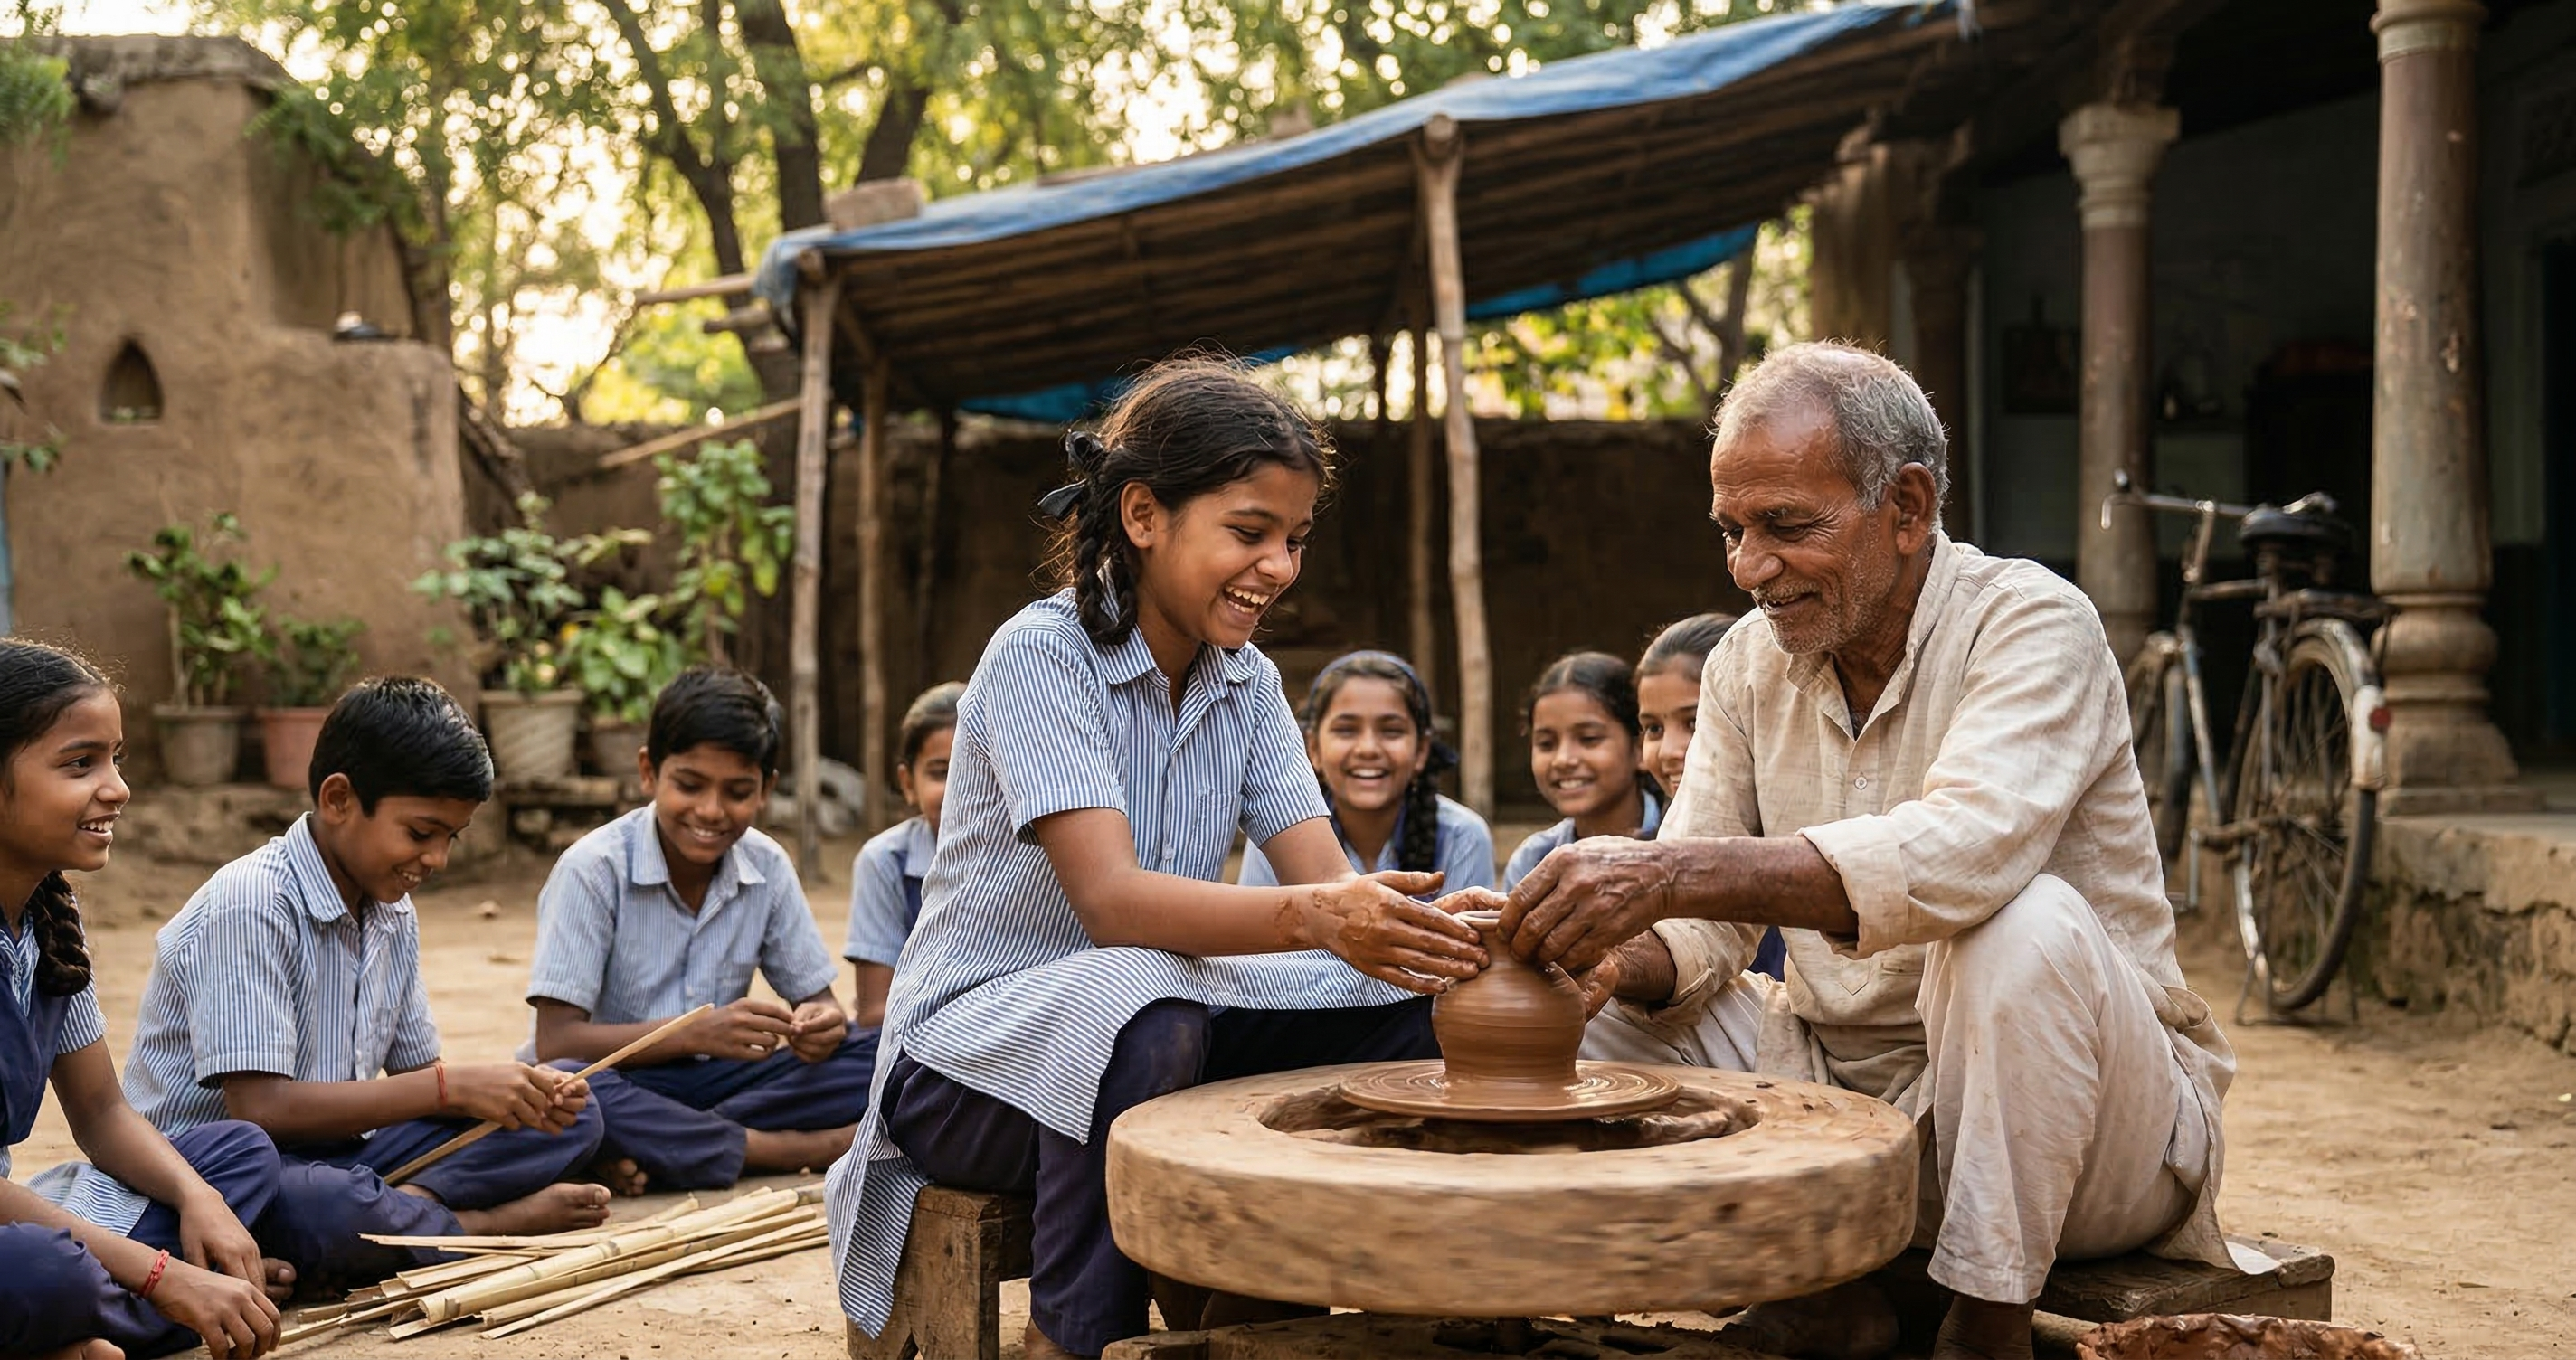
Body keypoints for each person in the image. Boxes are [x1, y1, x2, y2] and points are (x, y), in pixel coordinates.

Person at [1494, 343, 2232, 1360]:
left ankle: (1985, 1322)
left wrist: (1662, 868)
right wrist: (1614, 955)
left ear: (1909, 505)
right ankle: (1820, 1289)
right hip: (1846, 1106)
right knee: (1575, 1025)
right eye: (1732, 531)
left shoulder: (2031, 622)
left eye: (1787, 526)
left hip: (2081, 1136)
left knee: (2018, 923)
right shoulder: (1748, 663)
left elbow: (1961, 854)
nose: (1751, 567)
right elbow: (1701, 921)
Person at [824, 358, 1490, 1360]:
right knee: (1141, 1002)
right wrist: (1321, 919)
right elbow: (1112, 903)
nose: (1277, 567)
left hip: (1152, 1033)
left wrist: (1439, 932)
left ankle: (1261, 1294)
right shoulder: (1038, 655)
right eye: (1248, 532)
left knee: (1410, 1002)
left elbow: (1326, 890)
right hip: (963, 1073)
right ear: (1144, 515)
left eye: (1295, 541)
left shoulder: (1250, 681)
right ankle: (1074, 1337)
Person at [123, 677, 610, 1295]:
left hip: (346, 1157)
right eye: (421, 832)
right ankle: (473, 1224)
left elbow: (421, 1077)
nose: (436, 860)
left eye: (450, 838)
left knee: (577, 1110)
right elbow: (262, 1112)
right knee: (326, 1207)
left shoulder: (390, 908)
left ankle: (397, 1221)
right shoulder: (250, 904)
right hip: (229, 1175)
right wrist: (449, 1086)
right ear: (338, 799)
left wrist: (509, 1092)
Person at [0, 640, 290, 1360]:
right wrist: (163, 1275)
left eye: (115, 758)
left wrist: (202, 1203)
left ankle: (85, 1327)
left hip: (19, 1221)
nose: (117, 788)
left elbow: (101, 1113)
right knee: (46, 1274)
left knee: (238, 1157)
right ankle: (115, 1314)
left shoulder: (46, 925)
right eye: (80, 763)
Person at [526, 666, 866, 1193]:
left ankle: (663, 1146)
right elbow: (556, 1041)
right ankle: (783, 1149)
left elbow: (822, 1005)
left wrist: (820, 1026)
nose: (710, 810)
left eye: (737, 791)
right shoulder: (593, 869)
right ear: (648, 772)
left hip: (719, 1086)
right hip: (619, 1079)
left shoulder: (767, 866)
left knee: (878, 1053)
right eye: (689, 785)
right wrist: (693, 1033)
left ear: (766, 790)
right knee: (572, 1089)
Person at [1236, 650, 1493, 896]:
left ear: (1421, 750)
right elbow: (1251, 941)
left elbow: (1464, 940)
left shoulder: (1462, 837)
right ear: (1313, 748)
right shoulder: (1275, 836)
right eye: (1346, 730)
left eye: (1392, 731)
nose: (1368, 749)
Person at [1632, 614, 1783, 980]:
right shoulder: (1643, 858)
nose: (1668, 750)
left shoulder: (1800, 854)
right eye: (1653, 728)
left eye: (1696, 723)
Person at [845, 682, 965, 1025]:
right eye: (941, 773)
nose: (962, 788)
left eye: (978, 769)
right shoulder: (886, 861)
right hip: (912, 1037)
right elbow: (874, 1012)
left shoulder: (1033, 854)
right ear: (908, 784)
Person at [1500, 652, 1662, 890]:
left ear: (1639, 749)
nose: (1563, 760)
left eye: (1588, 739)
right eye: (1546, 743)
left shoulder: (1679, 846)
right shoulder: (1532, 862)